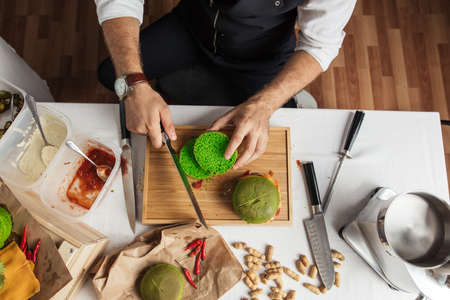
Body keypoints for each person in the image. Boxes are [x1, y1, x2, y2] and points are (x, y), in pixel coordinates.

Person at [95, 0, 356, 169]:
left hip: (262, 54)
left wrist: (265, 104)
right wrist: (134, 82)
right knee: (111, 74)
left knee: (272, 137)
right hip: (192, 29)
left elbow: (320, 44)